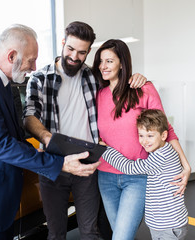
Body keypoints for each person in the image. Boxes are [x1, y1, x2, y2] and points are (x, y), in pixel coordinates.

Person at [0, 24, 100, 240]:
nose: (34, 66)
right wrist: (59, 162)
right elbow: (1, 144)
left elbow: (15, 138)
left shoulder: (1, 83)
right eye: (31, 59)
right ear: (12, 56)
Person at [23, 21, 147, 240]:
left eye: (82, 52)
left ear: (88, 52)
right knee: (56, 232)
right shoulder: (40, 78)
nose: (74, 56)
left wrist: (135, 78)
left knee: (90, 231)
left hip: (88, 166)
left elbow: (116, 80)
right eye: (70, 49)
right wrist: (47, 138)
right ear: (63, 43)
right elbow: (29, 115)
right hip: (54, 165)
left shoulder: (92, 76)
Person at [91, 39, 191, 240]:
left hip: (136, 176)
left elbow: (165, 128)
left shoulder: (143, 89)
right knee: (120, 234)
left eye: (109, 61)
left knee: (121, 237)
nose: (103, 66)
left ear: (122, 63)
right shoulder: (97, 94)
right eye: (101, 61)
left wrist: (185, 163)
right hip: (106, 176)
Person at [101, 109, 188, 240]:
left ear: (163, 136)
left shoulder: (161, 157)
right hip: (165, 225)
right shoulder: (165, 150)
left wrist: (104, 150)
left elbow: (129, 167)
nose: (144, 141)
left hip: (169, 227)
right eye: (141, 135)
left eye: (150, 136)